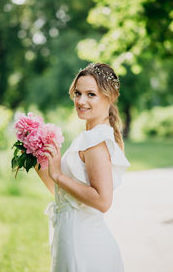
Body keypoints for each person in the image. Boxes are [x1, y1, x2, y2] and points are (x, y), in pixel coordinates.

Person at [35, 62, 130, 272]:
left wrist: (59, 175)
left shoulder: (95, 139)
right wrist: (41, 165)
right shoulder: (89, 136)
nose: (80, 101)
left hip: (84, 244)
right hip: (71, 237)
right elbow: (66, 197)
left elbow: (103, 201)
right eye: (77, 93)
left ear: (110, 97)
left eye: (91, 94)